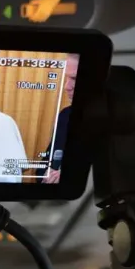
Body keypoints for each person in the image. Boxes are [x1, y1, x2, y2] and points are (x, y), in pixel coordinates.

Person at [35, 54, 79, 183]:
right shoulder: (65, 115)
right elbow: (43, 167)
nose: (67, 86)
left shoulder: (113, 126)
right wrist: (46, 175)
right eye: (67, 78)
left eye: (75, 78)